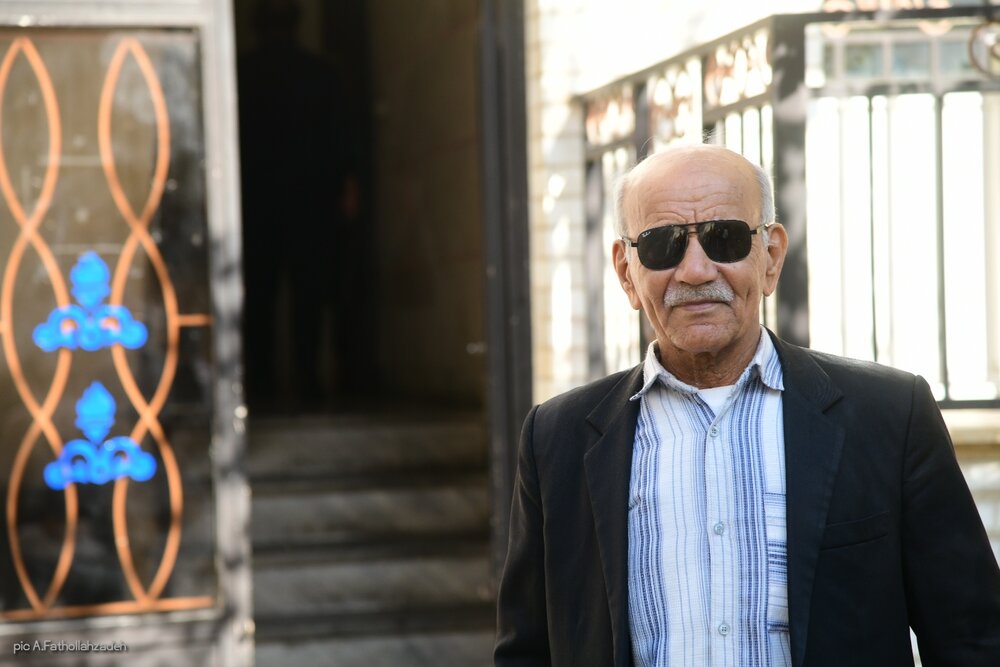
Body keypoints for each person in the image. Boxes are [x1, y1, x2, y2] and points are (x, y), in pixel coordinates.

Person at [494, 144, 1000, 666]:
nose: (695, 270)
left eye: (726, 238)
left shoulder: (889, 417)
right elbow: (527, 652)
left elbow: (973, 639)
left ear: (771, 257)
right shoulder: (556, 440)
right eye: (663, 245)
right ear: (627, 271)